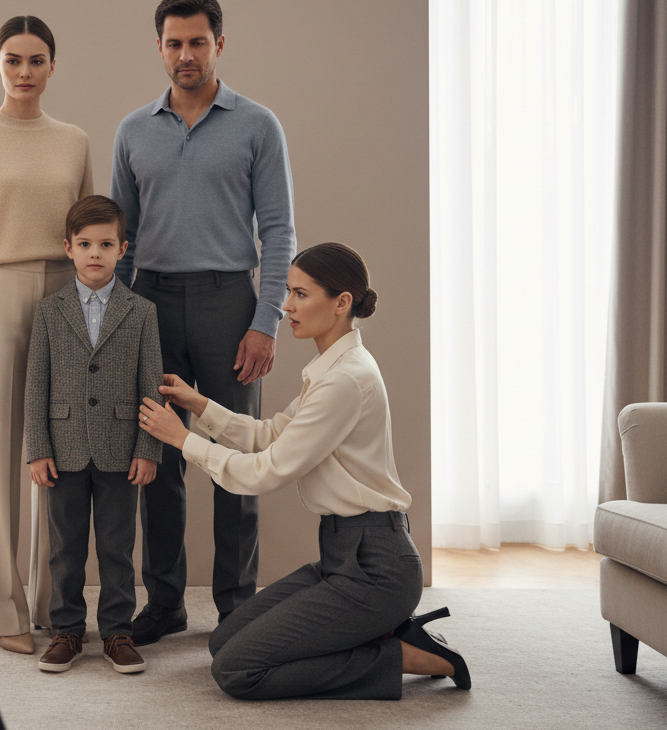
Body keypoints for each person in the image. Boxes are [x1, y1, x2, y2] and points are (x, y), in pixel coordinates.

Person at [137, 243, 471, 699]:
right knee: (223, 642)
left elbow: (262, 473)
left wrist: (183, 439)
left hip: (376, 568)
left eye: (300, 294)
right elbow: (271, 434)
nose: (287, 306)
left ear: (341, 302)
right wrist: (200, 406)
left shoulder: (344, 381)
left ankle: (400, 656)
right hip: (343, 556)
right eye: (289, 292)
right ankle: (378, 633)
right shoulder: (330, 369)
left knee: (236, 671)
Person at [111, 0, 296, 642]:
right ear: (158, 47)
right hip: (151, 304)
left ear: (220, 44)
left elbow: (279, 231)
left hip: (229, 304)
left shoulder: (257, 125)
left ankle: (237, 604)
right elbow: (120, 237)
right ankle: (164, 603)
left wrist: (266, 319)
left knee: (237, 458)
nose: (185, 54)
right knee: (159, 460)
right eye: (173, 43)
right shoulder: (133, 131)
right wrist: (117, 324)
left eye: (197, 42)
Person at [0, 15, 94, 654]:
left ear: (53, 66)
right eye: (12, 60)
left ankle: (53, 604)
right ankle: (3, 612)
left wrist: (93, 309)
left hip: (66, 291)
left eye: (36, 60)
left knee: (57, 449)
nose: (24, 71)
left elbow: (89, 233)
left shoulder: (75, 140)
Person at [24, 195, 164, 675]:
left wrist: (149, 448)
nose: (95, 252)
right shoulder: (48, 312)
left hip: (121, 450)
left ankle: (117, 632)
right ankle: (66, 630)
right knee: (65, 547)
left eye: (106, 243)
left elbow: (152, 386)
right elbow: (35, 386)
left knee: (117, 546)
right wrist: (37, 449)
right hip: (62, 451)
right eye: (85, 243)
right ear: (68, 248)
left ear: (122, 248)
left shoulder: (142, 312)